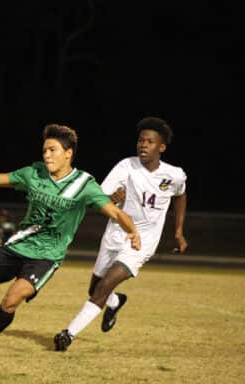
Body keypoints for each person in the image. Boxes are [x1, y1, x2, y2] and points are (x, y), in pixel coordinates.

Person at [0, 123, 141, 358]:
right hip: (18, 245)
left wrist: (132, 231)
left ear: (68, 153)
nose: (47, 155)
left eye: (52, 150)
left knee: (12, 299)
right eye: (45, 150)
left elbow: (115, 212)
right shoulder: (34, 173)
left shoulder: (85, 185)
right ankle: (10, 275)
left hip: (45, 256)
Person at [53, 116, 188, 352]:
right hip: (116, 233)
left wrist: (178, 231)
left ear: (161, 147)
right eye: (140, 140)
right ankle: (115, 302)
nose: (143, 145)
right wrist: (112, 198)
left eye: (150, 141)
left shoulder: (174, 175)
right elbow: (101, 196)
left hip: (142, 241)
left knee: (104, 287)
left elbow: (180, 195)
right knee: (95, 288)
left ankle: (68, 334)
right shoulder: (126, 165)